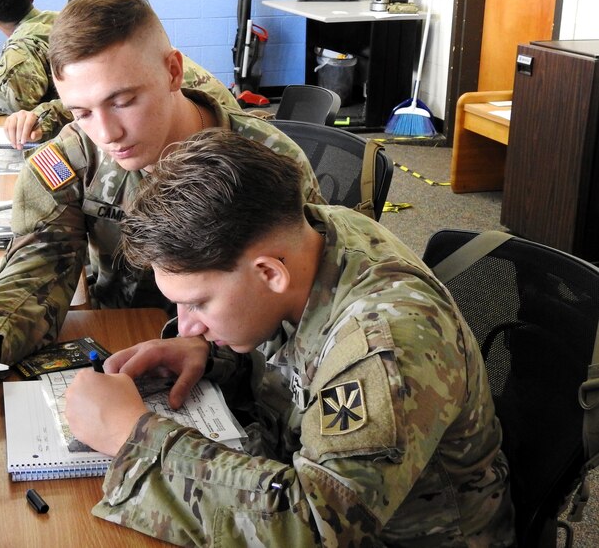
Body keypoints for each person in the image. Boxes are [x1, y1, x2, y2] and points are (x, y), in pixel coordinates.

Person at [64, 130, 516, 545]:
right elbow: (292, 363)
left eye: (199, 303)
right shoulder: (309, 235)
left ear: (268, 273)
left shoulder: (386, 342)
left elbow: (314, 529)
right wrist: (208, 354)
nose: (186, 324)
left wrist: (133, 437)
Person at [0, 0, 323, 413]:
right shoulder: (73, 157)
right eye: (81, 112)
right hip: (122, 347)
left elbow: (305, 306)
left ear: (173, 71)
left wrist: (211, 353)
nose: (106, 133)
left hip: (241, 372)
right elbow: (39, 266)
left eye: (122, 102)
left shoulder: (269, 162)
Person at [3, 0, 238, 148]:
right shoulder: (148, 59)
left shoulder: (159, 77)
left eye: (124, 102)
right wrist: (37, 118)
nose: (107, 134)